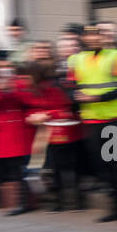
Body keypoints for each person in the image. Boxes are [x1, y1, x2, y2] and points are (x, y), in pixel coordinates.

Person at [69, 22, 117, 225]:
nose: (94, 38)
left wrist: (95, 99)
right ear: (83, 38)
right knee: (103, 167)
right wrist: (74, 97)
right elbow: (71, 87)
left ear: (104, 37)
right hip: (92, 119)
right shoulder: (75, 60)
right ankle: (116, 208)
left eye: (98, 34)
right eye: (89, 35)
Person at [0, 59, 43, 215]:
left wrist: (11, 89)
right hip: (1, 132)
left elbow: (30, 101)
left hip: (18, 130)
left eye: (6, 68)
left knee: (19, 168)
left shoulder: (19, 83)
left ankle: (24, 203)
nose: (3, 72)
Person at [29, 57, 85, 211]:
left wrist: (46, 114)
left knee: (65, 167)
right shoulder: (53, 85)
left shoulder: (54, 86)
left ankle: (68, 202)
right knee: (65, 167)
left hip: (64, 129)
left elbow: (66, 109)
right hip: (59, 130)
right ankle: (71, 202)